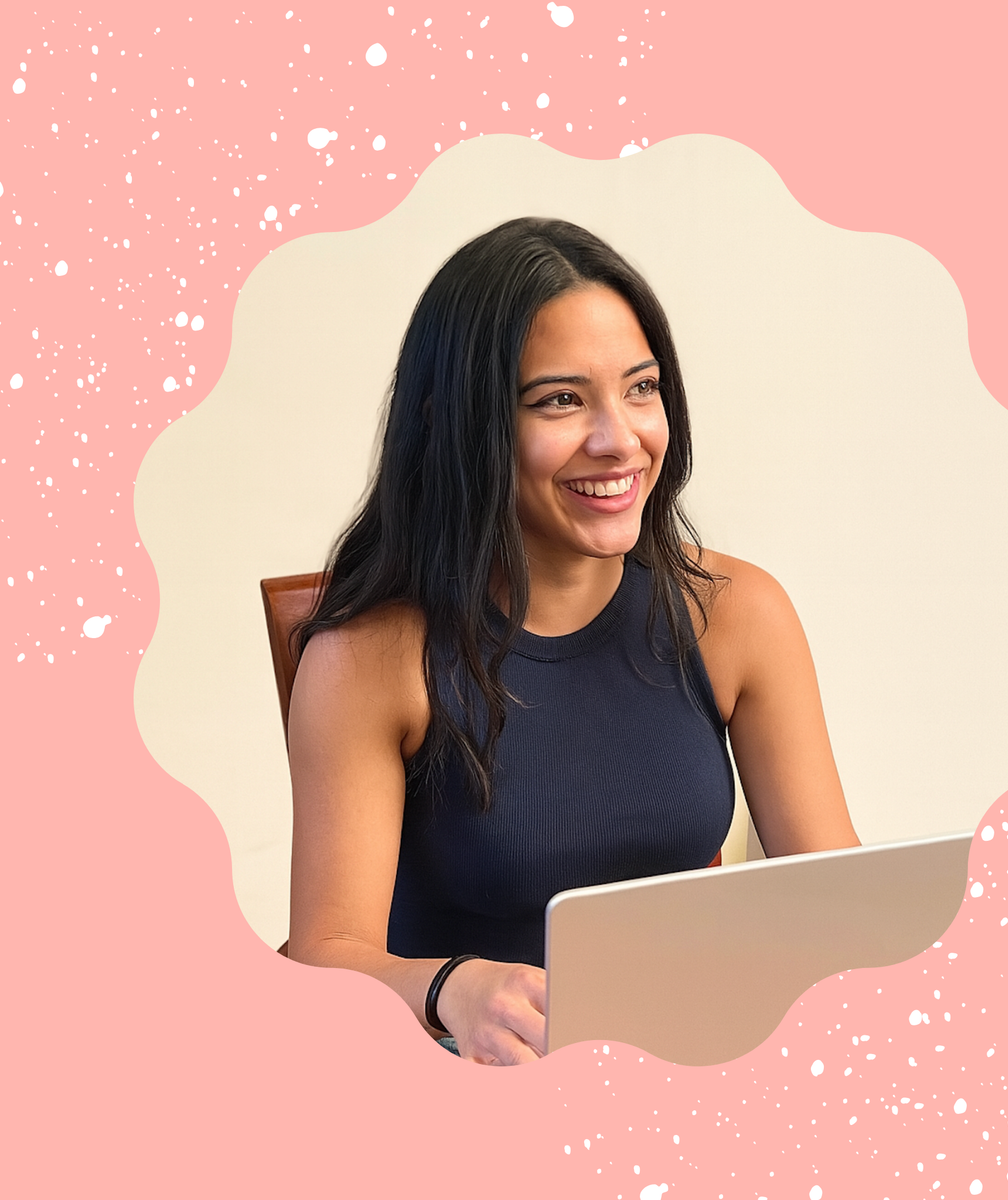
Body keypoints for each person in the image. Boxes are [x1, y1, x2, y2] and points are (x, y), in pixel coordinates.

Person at [286, 217, 859, 1066]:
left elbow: (838, 901)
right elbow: (322, 959)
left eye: (640, 388)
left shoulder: (738, 615)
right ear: (461, 424)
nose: (619, 439)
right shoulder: (369, 660)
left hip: (690, 1065)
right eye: (559, 399)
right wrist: (452, 985)